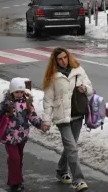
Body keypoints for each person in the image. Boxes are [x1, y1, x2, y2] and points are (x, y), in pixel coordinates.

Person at [42, 47, 93, 192]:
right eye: (60, 59)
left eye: (65, 57)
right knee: (72, 147)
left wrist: (85, 88)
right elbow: (48, 100)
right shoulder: (52, 76)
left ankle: (61, 170)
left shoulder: (78, 70)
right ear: (55, 61)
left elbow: (90, 87)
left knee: (71, 146)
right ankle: (78, 180)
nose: (64, 61)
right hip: (62, 117)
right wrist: (46, 120)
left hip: (77, 114)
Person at [0, 78, 49, 192]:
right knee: (14, 158)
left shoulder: (27, 103)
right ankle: (15, 182)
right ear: (12, 91)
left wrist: (40, 125)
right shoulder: (6, 103)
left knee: (18, 158)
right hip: (9, 137)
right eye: (17, 92)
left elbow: (32, 116)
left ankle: (15, 180)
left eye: (21, 92)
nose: (19, 94)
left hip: (22, 136)